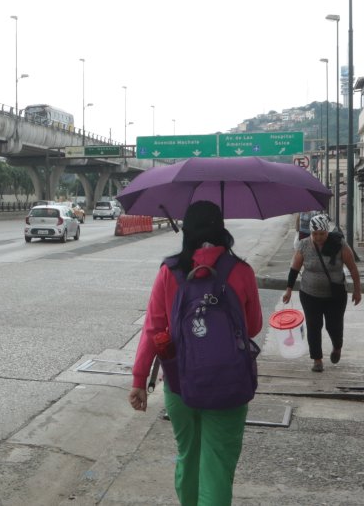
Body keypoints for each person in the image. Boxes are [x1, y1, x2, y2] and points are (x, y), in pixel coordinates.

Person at [128, 200, 263, 506]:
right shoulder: (241, 271)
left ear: (186, 231)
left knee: (189, 456)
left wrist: (139, 380)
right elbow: (253, 327)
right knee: (216, 465)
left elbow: (154, 328)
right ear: (222, 231)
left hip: (180, 382)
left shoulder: (170, 271)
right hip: (230, 383)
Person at [282, 214, 362, 373]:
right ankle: (317, 360)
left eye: (322, 233)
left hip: (335, 295)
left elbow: (353, 268)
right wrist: (289, 290)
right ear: (311, 232)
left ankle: (337, 346)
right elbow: (294, 268)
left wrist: (357, 290)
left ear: (327, 231)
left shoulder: (339, 244)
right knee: (313, 326)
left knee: (334, 325)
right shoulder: (304, 245)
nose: (318, 237)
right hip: (309, 294)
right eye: (315, 234)